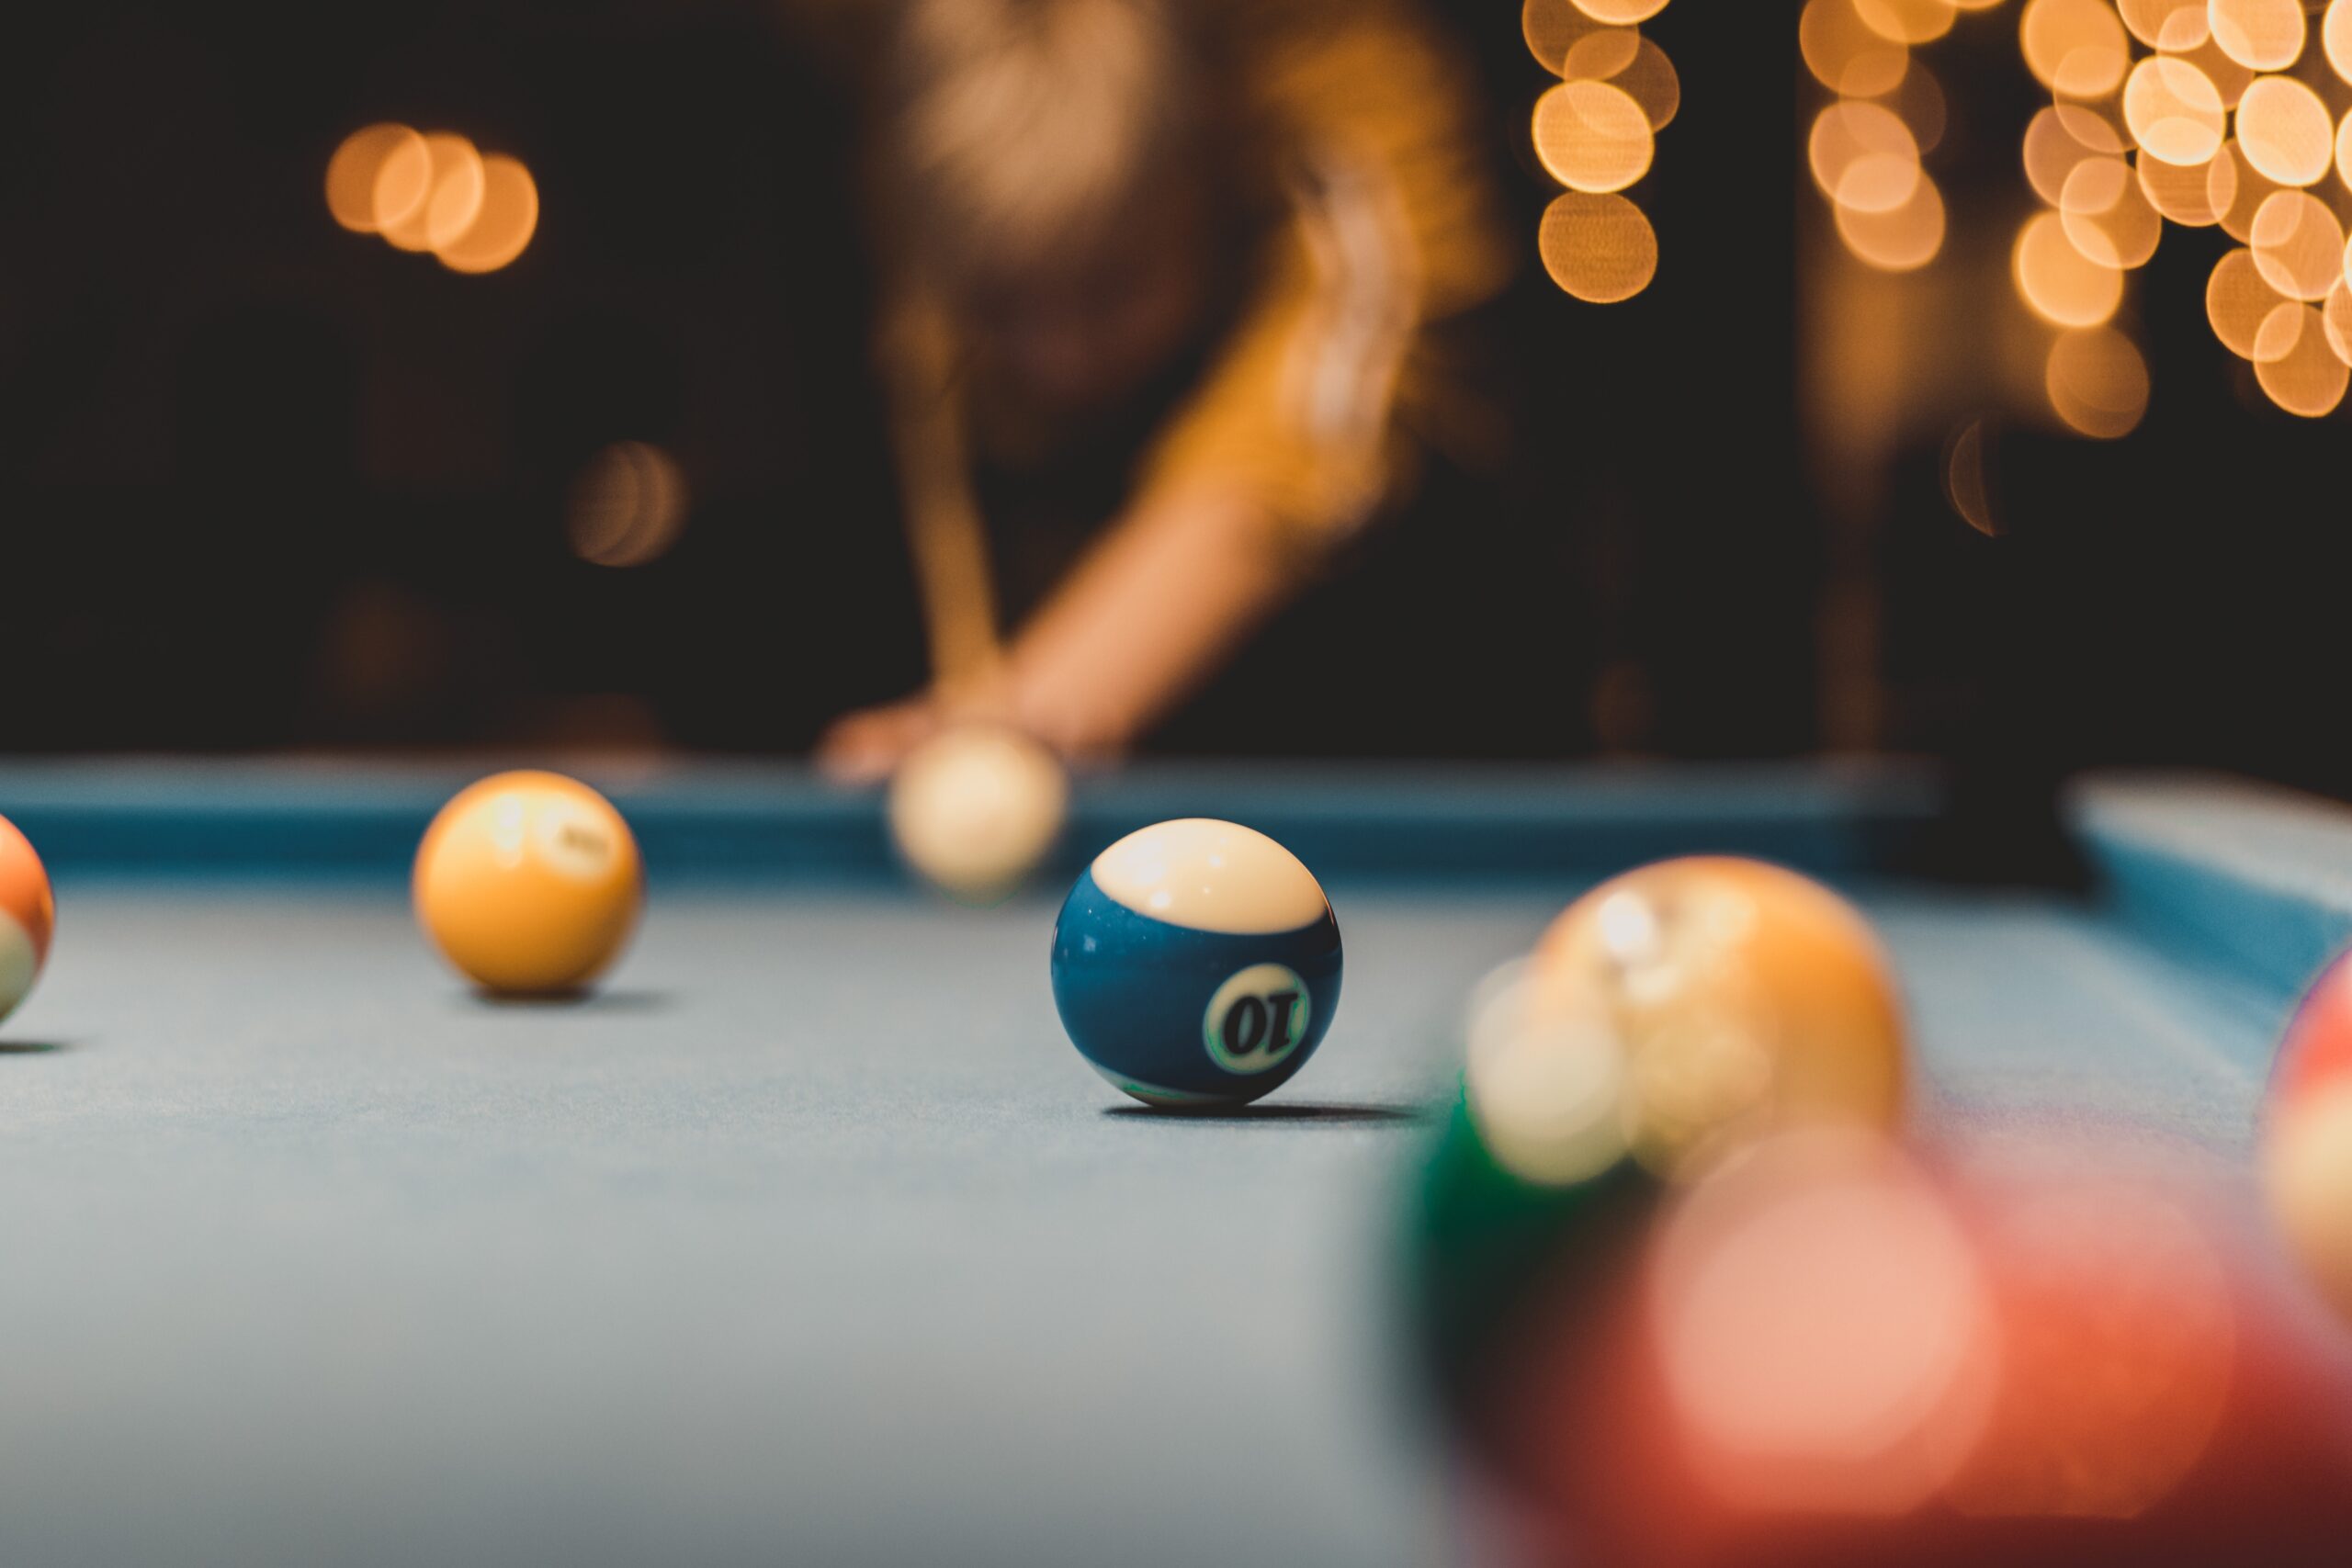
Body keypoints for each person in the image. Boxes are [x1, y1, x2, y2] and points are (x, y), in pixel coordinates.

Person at [817, 0, 1512, 778]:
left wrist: (1026, 708)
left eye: (1112, 288)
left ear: (1213, 168)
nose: (1060, 362)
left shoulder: (1315, 35)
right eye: (1003, 304)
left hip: (1387, 656)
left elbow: (1383, 315)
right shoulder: (844, 34)